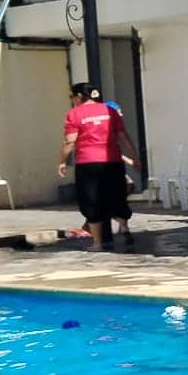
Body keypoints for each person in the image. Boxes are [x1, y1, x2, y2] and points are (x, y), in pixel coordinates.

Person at [56, 82, 140, 250]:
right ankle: (123, 226)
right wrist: (134, 156)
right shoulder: (110, 111)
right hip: (113, 160)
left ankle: (97, 243)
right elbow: (123, 136)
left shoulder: (75, 114)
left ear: (79, 96)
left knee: (91, 200)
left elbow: (70, 141)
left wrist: (62, 161)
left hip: (88, 162)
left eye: (72, 97)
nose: (72, 100)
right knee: (117, 194)